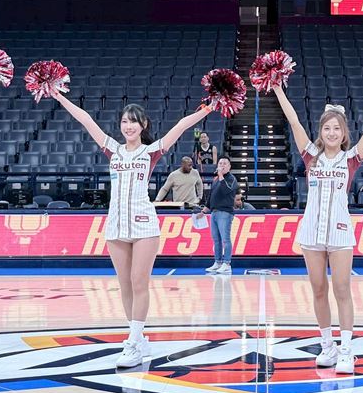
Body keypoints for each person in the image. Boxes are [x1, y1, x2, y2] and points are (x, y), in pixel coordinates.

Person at [52, 91, 214, 368]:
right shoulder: (112, 149)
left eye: (134, 122)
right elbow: (86, 119)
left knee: (139, 283)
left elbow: (181, 126)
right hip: (115, 224)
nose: (129, 126)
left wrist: (207, 110)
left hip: (143, 224)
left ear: (143, 126)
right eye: (125, 121)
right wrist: (59, 97)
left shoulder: (150, 152)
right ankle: (138, 339)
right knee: (125, 285)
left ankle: (133, 341)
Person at [273, 79, 363, 374]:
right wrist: (277, 88)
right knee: (317, 289)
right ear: (321, 131)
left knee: (342, 289)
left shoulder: (351, 159)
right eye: (326, 128)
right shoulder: (310, 156)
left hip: (340, 232)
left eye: (336, 128)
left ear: (343, 134)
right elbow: (292, 119)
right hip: (311, 231)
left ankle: (347, 350)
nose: (331, 132)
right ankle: (327, 346)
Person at [203, 155, 237, 275]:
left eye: (224, 164)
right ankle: (217, 262)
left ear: (229, 166)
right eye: (220, 163)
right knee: (216, 240)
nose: (222, 165)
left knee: (225, 239)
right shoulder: (215, 180)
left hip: (225, 213)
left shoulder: (231, 179)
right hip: (214, 212)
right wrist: (204, 211)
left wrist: (221, 176)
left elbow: (226, 190)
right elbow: (211, 197)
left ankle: (227, 263)